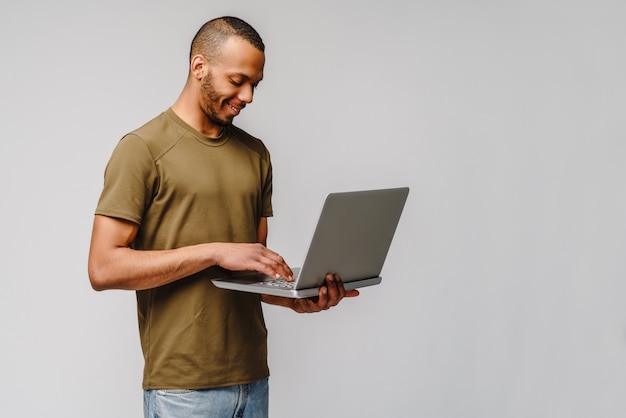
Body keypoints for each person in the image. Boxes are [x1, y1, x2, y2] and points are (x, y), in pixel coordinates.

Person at [87, 16, 359, 418]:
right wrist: (214, 251)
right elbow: (103, 267)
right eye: (237, 81)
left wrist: (296, 298)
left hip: (253, 378)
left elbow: (250, 273)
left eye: (255, 84)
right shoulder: (142, 149)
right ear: (200, 68)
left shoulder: (256, 154)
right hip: (182, 388)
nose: (248, 96)